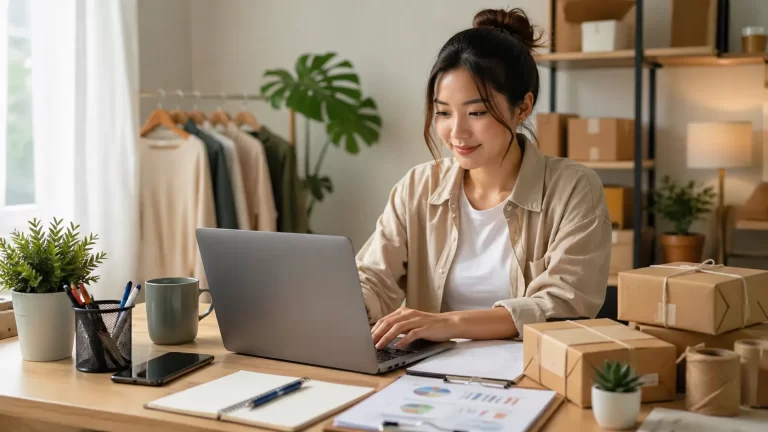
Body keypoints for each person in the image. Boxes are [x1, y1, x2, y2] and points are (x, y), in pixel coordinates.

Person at [357, 8, 612, 350]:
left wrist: (447, 323)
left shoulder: (573, 189)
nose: (456, 132)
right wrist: (345, 304)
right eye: (443, 112)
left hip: (532, 370)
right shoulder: (418, 187)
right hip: (425, 371)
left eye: (476, 112)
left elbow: (564, 304)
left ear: (523, 108)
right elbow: (373, 277)